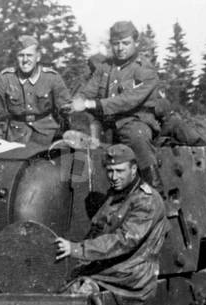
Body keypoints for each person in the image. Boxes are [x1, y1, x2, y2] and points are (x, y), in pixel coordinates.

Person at [54, 144, 167, 305]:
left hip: (130, 275)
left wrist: (77, 249)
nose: (114, 177)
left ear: (134, 169)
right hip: (113, 269)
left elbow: (124, 241)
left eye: (120, 171)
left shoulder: (146, 200)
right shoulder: (117, 194)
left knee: (72, 298)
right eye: (110, 171)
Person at [69, 21, 164, 187]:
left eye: (125, 43)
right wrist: (77, 101)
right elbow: (88, 90)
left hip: (134, 120)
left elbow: (128, 100)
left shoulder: (145, 70)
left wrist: (93, 104)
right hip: (105, 123)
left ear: (136, 43)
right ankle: (81, 185)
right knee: (76, 133)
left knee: (137, 137)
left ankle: (155, 192)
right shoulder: (105, 67)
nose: (120, 48)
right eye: (116, 44)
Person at [0, 35, 71, 146]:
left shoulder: (52, 78)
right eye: (21, 55)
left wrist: (67, 111)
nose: (25, 60)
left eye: (29, 55)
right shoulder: (5, 78)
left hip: (48, 135)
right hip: (16, 137)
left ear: (38, 57)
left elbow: (66, 106)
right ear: (16, 57)